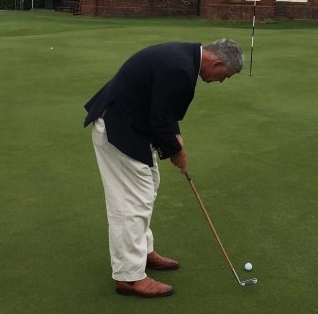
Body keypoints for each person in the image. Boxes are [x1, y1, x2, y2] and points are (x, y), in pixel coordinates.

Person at [84, 39, 243, 298]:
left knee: (148, 189)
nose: (221, 81)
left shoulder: (186, 59)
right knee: (132, 202)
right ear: (216, 62)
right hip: (119, 128)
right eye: (224, 76)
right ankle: (129, 277)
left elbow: (165, 109)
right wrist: (176, 152)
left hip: (131, 125)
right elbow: (160, 121)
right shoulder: (181, 68)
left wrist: (175, 137)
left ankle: (142, 252)